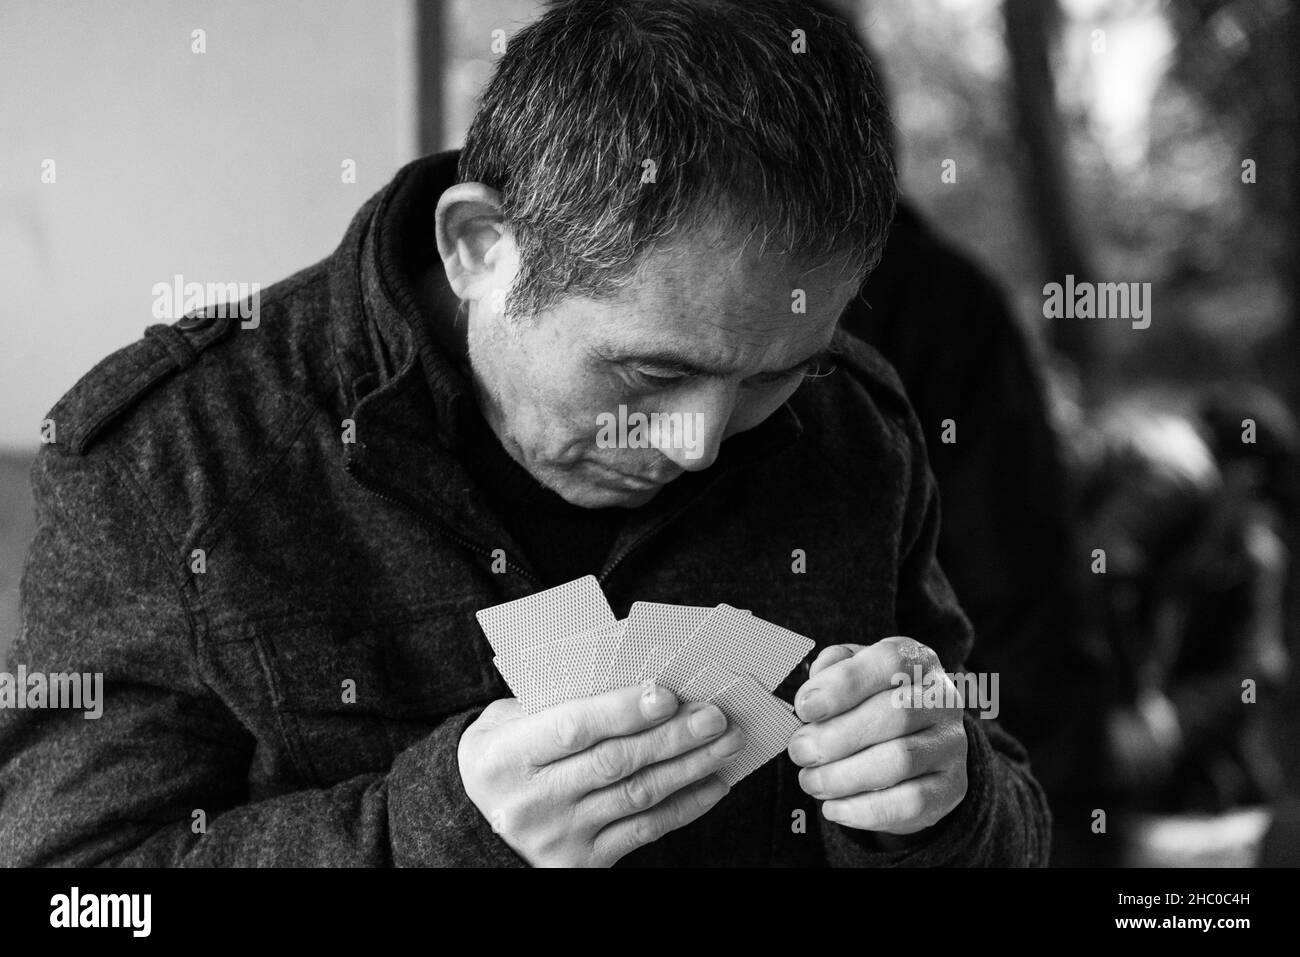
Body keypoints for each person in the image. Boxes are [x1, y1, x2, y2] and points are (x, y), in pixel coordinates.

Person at [0, 0, 1048, 867]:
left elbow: (1003, 820)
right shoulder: (172, 460)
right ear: (477, 247)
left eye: (774, 376)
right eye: (653, 371)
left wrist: (943, 808)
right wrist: (429, 835)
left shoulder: (853, 428)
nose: (695, 444)